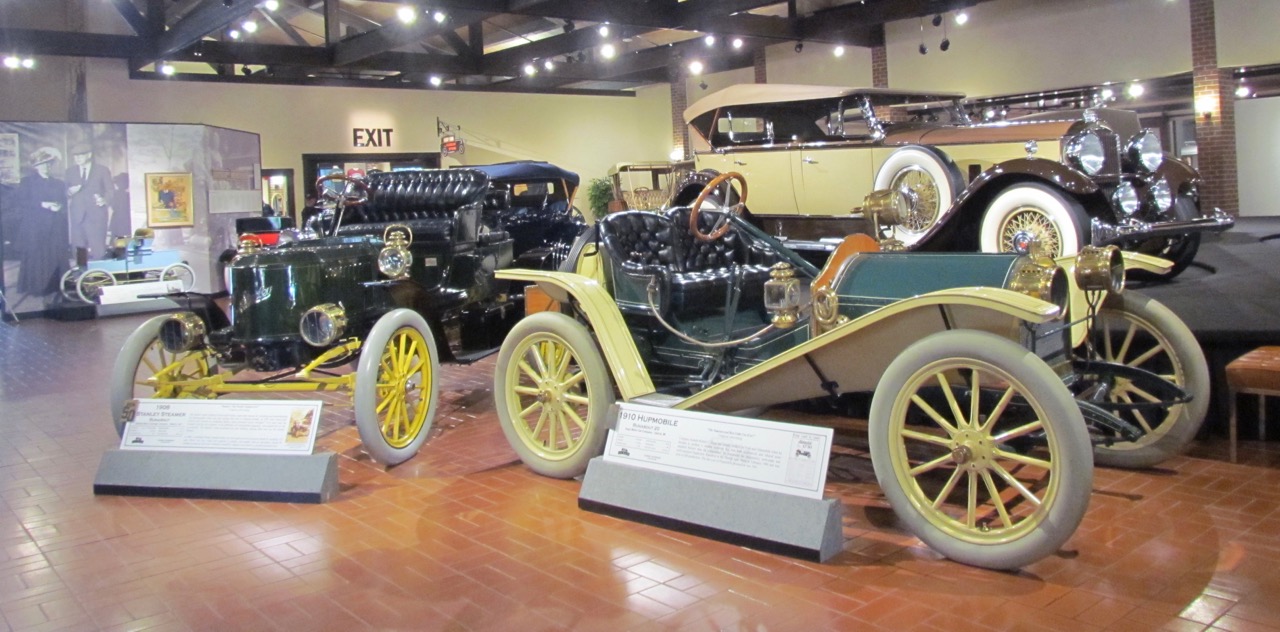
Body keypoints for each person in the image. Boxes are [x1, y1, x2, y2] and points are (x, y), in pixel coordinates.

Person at [15, 147, 70, 297]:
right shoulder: (27, 182)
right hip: (35, 227)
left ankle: (56, 286)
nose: (46, 167)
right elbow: (21, 202)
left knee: (54, 255)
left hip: (55, 227)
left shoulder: (59, 183)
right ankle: (37, 287)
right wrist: (42, 204)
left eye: (49, 164)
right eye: (43, 164)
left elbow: (64, 203)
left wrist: (60, 207)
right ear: (36, 166)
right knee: (37, 257)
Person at [65, 142, 113, 260]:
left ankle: (100, 275)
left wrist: (104, 200)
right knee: (79, 248)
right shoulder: (70, 172)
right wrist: (70, 192)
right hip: (77, 216)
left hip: (96, 216)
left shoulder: (102, 170)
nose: (77, 159)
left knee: (98, 248)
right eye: (75, 156)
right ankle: (82, 275)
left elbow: (110, 190)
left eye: (80, 155)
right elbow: (64, 192)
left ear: (89, 155)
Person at [107, 172, 131, 239]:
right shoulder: (117, 194)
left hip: (121, 220)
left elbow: (112, 205)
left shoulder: (116, 194)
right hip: (121, 220)